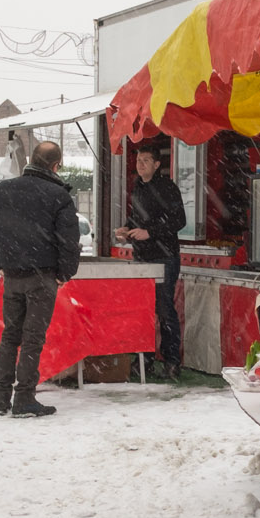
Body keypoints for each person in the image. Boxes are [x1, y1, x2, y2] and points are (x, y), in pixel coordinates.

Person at [0, 141, 80, 418]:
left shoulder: (5, 189)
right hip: (42, 275)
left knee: (10, 335)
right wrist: (64, 273)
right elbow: (69, 241)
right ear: (55, 165)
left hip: (12, 276)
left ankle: (1, 398)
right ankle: (24, 397)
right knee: (33, 338)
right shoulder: (58, 196)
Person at [113, 146, 186, 381]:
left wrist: (150, 232)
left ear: (157, 165)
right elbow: (138, 217)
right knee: (143, 310)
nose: (140, 163)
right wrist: (126, 228)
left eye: (146, 160)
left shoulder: (167, 187)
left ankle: (172, 362)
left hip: (164, 256)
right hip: (141, 257)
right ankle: (144, 360)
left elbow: (179, 220)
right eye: (138, 159)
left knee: (165, 310)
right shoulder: (138, 187)